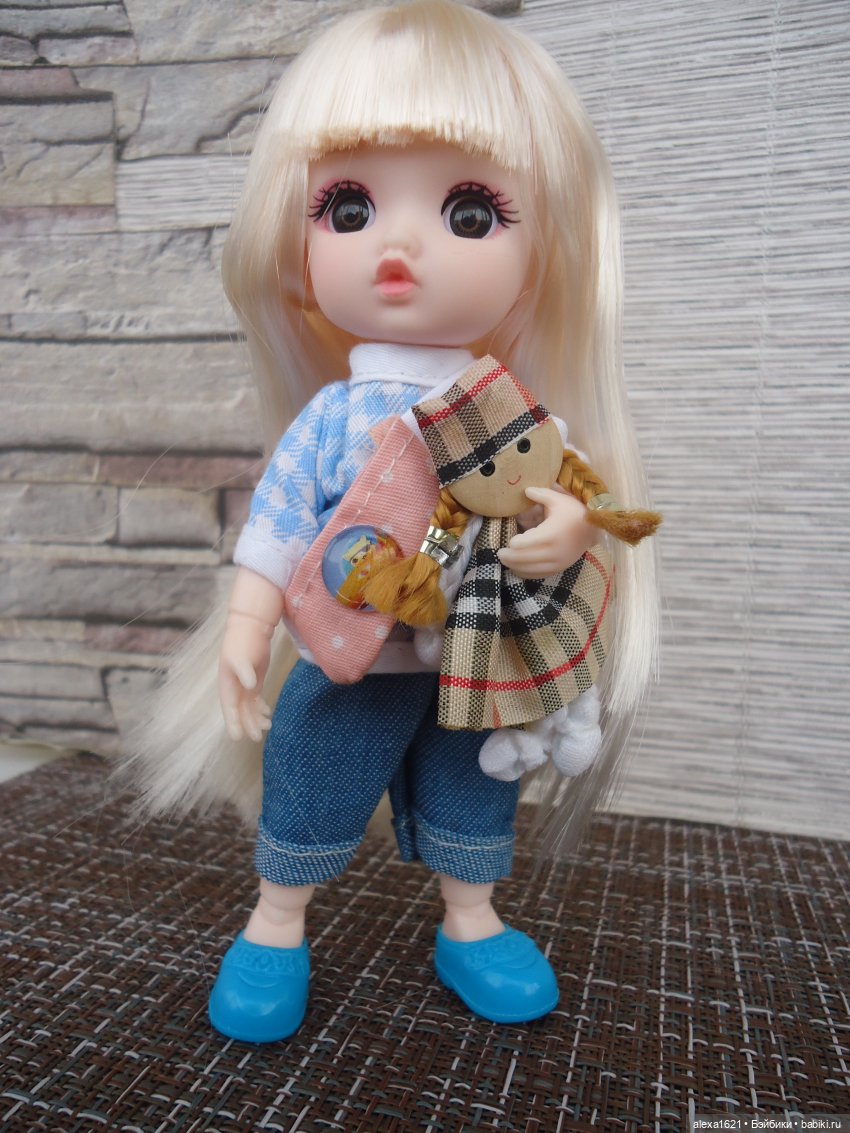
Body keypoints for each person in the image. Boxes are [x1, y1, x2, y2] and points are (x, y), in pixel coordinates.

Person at [128, 0, 659, 1042]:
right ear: (292, 241)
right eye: (349, 206)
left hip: (473, 656)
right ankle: (276, 920)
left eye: (470, 212)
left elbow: (559, 488)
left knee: (473, 792)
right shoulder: (335, 416)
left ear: (544, 250)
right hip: (354, 652)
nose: (400, 245)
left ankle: (471, 918)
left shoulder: (506, 409)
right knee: (311, 780)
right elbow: (281, 517)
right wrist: (247, 625)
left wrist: (565, 529)